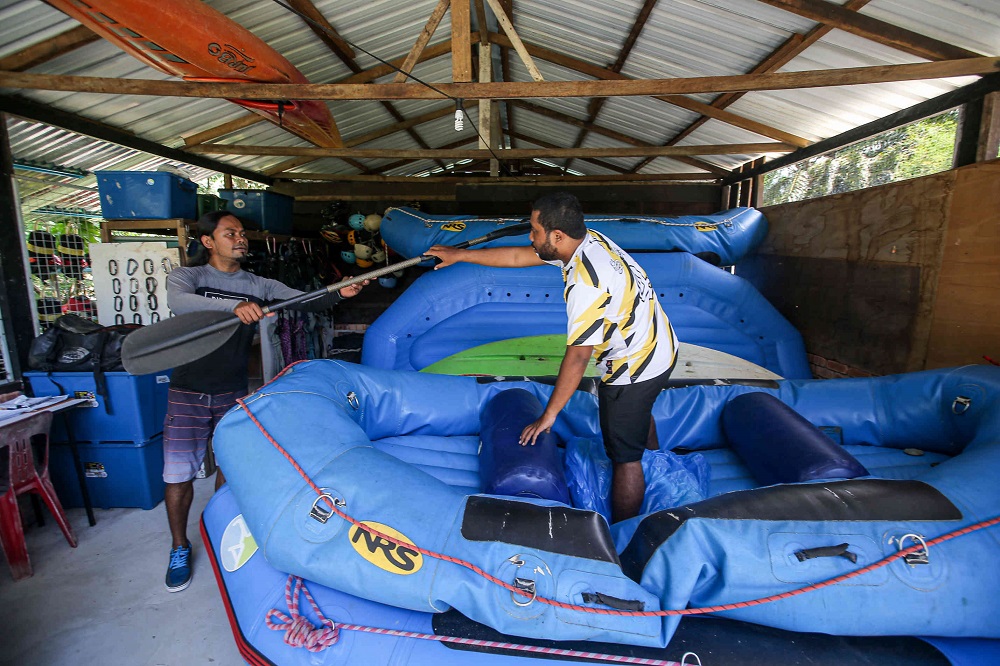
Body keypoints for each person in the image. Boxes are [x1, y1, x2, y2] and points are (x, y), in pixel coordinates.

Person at [426, 192, 678, 523]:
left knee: (624, 457)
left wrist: (549, 416)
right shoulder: (588, 241)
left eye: (535, 231)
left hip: (635, 365)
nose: (530, 237)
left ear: (557, 235)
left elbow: (577, 358)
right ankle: (659, 465)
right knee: (638, 415)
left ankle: (624, 536)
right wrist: (461, 256)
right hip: (662, 345)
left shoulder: (586, 282)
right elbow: (518, 257)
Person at [162, 211, 365, 592]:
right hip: (187, 389)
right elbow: (179, 302)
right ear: (208, 241)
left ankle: (216, 527)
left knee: (230, 464)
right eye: (230, 233)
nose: (240, 238)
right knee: (178, 473)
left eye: (241, 233)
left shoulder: (257, 283)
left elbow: (305, 301)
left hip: (232, 388)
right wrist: (234, 308)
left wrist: (340, 291)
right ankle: (178, 546)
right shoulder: (190, 277)